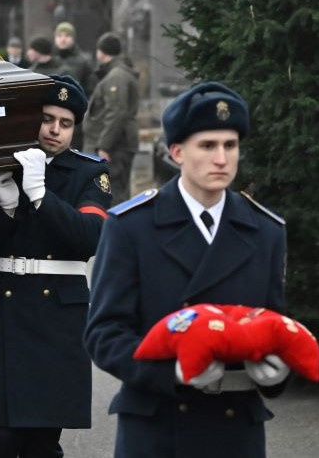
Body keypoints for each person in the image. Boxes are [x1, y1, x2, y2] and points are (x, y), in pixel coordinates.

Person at [85, 82, 289, 458]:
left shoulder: (265, 231)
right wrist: (172, 371)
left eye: (230, 146)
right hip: (158, 426)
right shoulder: (133, 227)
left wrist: (278, 370)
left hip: (235, 429)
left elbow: (273, 323)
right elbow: (104, 333)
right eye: (208, 146)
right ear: (177, 152)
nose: (222, 159)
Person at [0, 75, 110, 458]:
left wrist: (40, 196)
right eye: (48, 118)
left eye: (65, 124)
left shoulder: (88, 172)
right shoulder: (0, 163)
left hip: (54, 319)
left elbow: (90, 238)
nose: (54, 130)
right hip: (0, 309)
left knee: (41, 441)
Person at [83, 32, 139, 205]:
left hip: (114, 147)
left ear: (102, 52)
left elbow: (116, 112)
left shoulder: (116, 77)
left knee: (114, 195)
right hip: (115, 145)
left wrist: (104, 146)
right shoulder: (118, 73)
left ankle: (115, 231)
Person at [52, 22, 96, 97]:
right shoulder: (50, 60)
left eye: (67, 36)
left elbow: (90, 89)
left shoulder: (83, 61)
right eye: (59, 36)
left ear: (73, 38)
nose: (63, 39)